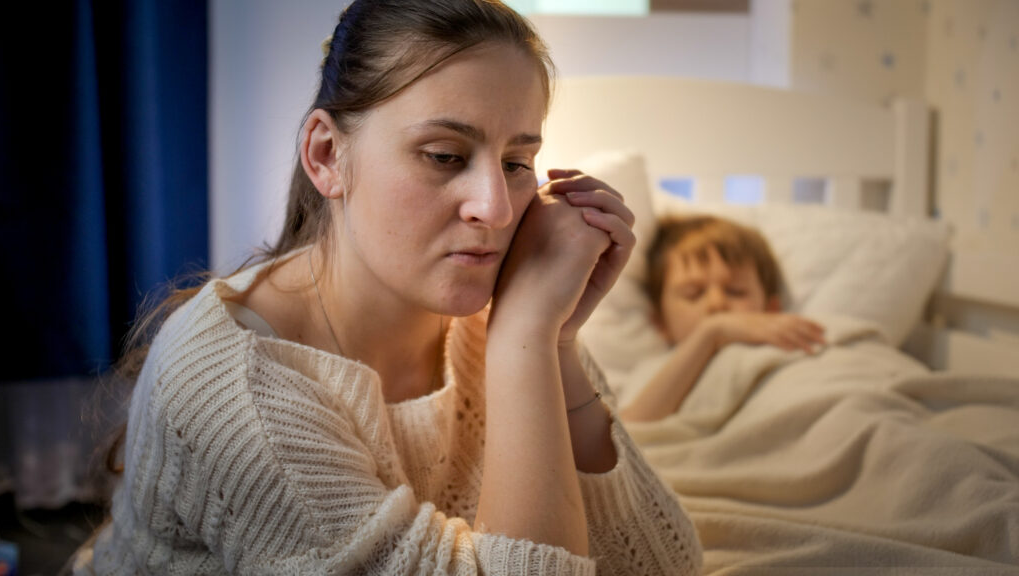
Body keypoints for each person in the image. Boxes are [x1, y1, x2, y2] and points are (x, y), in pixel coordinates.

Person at [73, 1, 701, 574]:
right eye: (444, 156)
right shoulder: (240, 392)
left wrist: (554, 346)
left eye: (516, 164)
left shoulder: (501, 313)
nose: (497, 209)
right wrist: (525, 339)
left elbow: (661, 562)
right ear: (325, 156)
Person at [619, 215, 827, 423]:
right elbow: (630, 432)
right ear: (660, 322)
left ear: (771, 310)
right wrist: (711, 333)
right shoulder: (655, 370)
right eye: (694, 293)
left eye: (735, 292)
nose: (717, 303)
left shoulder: (789, 341)